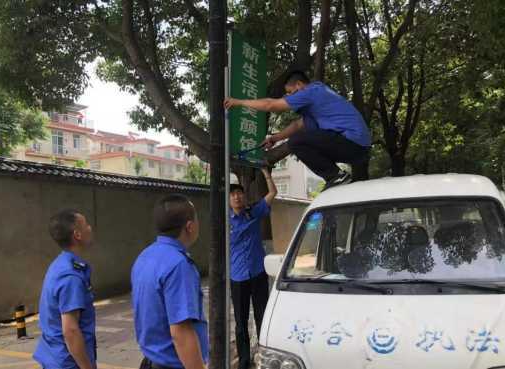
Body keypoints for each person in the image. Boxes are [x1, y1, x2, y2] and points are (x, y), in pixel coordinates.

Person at [225, 70, 371, 189]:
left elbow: (271, 105)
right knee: (299, 138)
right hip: (359, 148)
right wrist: (274, 138)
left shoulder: (310, 92)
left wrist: (238, 102)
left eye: (290, 92)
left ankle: (336, 176)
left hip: (353, 142)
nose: (289, 97)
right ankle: (335, 178)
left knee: (296, 142)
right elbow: (297, 125)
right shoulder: (317, 101)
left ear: (300, 85)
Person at [131, 194, 208, 369]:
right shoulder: (179, 265)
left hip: (150, 361)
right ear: (189, 226)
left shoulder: (145, 256)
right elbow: (181, 332)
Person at [33, 210, 96, 369]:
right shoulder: (70, 276)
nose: (90, 228)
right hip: (68, 363)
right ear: (77, 235)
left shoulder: (61, 264)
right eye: (86, 225)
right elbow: (71, 331)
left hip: (57, 357)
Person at [229, 168, 277, 369]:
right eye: (232, 195)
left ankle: (264, 355)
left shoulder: (253, 212)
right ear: (229, 200)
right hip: (238, 277)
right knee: (241, 323)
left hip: (257, 273)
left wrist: (266, 173)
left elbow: (272, 193)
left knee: (262, 316)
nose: (237, 197)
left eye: (239, 193)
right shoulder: (224, 222)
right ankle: (244, 361)